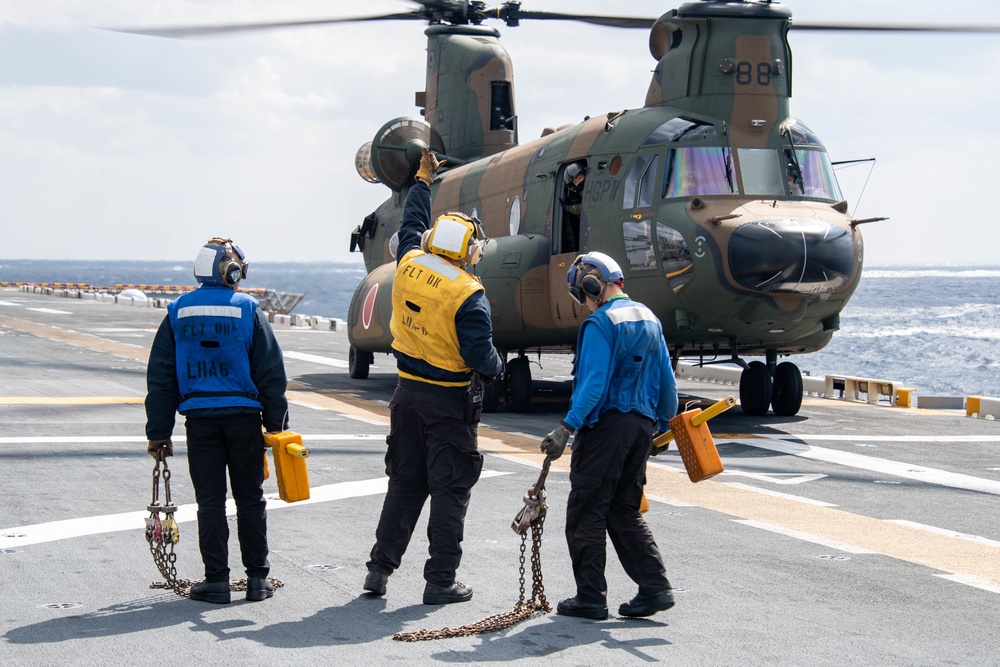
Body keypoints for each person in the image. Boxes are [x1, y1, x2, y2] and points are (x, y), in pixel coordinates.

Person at [364, 149, 503, 605]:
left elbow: (410, 223)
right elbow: (483, 360)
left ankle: (379, 570)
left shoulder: (408, 264)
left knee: (404, 484)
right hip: (448, 404)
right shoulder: (469, 293)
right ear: (470, 251)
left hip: (406, 397)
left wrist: (422, 182)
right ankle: (440, 580)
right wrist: (499, 368)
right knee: (450, 491)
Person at [145, 237, 289, 605]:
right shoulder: (248, 309)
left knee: (210, 502)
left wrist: (159, 433)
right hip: (244, 420)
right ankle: (258, 580)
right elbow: (270, 371)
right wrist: (277, 426)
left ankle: (217, 582)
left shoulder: (177, 311)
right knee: (251, 499)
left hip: (201, 423)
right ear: (232, 271)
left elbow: (161, 377)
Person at [540, 251, 679, 620]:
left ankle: (590, 598)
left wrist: (566, 427)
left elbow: (594, 385)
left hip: (605, 430)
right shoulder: (650, 318)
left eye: (582, 294)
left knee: (587, 511)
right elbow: (668, 386)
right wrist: (663, 426)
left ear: (593, 283)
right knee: (624, 510)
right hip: (640, 430)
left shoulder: (600, 324)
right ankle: (655, 587)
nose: (584, 303)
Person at [560, 162, 587, 252]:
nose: (577, 183)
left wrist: (568, 207)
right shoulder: (581, 192)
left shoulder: (589, 190)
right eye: (575, 182)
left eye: (579, 178)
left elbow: (584, 208)